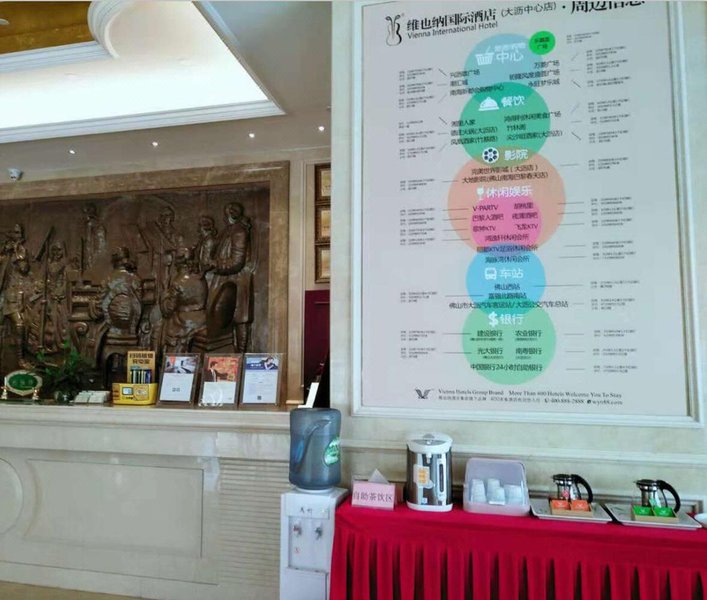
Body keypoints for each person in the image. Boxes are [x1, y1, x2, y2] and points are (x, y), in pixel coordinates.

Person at [211, 202, 254, 352]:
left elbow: (237, 262)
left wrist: (215, 264)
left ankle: (241, 354)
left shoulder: (239, 232)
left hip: (238, 282)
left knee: (240, 319)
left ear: (231, 213)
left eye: (226, 213)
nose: (224, 217)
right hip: (229, 281)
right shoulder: (229, 230)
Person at [160, 247, 207, 353]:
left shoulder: (178, 282)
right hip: (202, 320)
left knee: (165, 333)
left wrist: (164, 295)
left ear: (178, 262)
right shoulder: (201, 278)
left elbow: (168, 310)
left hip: (183, 323)